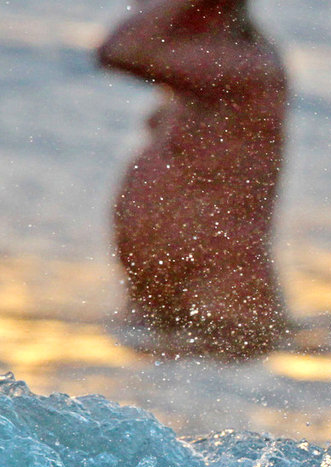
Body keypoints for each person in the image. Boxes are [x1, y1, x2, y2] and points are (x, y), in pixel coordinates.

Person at [97, 0, 289, 359]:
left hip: (223, 309)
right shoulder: (200, 83)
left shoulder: (250, 66)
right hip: (162, 309)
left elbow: (121, 49)